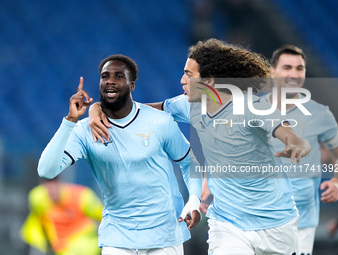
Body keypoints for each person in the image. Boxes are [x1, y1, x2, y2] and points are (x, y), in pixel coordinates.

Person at [88, 39, 312, 255]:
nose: (182, 81)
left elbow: (289, 134)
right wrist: (98, 108)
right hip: (228, 224)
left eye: (188, 74)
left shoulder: (251, 106)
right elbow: (138, 112)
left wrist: (296, 144)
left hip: (277, 223)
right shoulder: (190, 105)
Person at [37, 54, 202, 255]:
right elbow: (46, 170)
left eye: (118, 76)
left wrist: (193, 198)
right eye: (105, 76)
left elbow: (189, 162)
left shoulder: (160, 121)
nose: (110, 81)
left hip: (164, 236)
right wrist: (70, 120)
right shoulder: (84, 130)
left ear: (132, 85)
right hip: (117, 239)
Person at [268, 45, 338, 255]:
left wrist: (337, 180)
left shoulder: (319, 114)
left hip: (302, 222)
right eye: (287, 67)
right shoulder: (251, 109)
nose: (294, 74)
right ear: (272, 72)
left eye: (299, 68)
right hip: (259, 218)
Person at [20, 176, 103, 255]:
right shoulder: (38, 199)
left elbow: (103, 216)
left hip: (83, 245)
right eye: (48, 186)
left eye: (54, 185)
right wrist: (40, 243)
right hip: (57, 247)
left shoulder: (81, 196)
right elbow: (37, 221)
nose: (52, 190)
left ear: (61, 183)